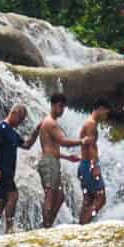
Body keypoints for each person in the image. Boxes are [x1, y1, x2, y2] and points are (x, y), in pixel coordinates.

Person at [0, 104, 40, 236]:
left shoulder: (12, 132)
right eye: (20, 118)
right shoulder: (1, 128)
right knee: (13, 195)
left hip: (7, 172)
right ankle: (9, 228)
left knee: (0, 202)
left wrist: (37, 130)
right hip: (0, 170)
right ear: (14, 113)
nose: (21, 122)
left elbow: (27, 145)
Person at [36, 94, 84, 228]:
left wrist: (67, 157)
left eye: (63, 107)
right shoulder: (50, 123)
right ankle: (46, 227)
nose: (62, 110)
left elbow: (51, 148)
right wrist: (82, 141)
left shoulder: (49, 122)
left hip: (52, 160)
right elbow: (63, 141)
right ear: (53, 105)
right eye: (60, 106)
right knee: (51, 195)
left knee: (60, 196)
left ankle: (47, 224)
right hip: (49, 162)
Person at [76, 98, 111, 224]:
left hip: (84, 165)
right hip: (89, 165)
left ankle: (80, 228)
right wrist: (94, 166)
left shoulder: (89, 123)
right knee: (101, 198)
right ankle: (84, 224)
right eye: (106, 112)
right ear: (100, 108)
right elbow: (90, 145)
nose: (106, 115)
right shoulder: (91, 124)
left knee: (88, 200)